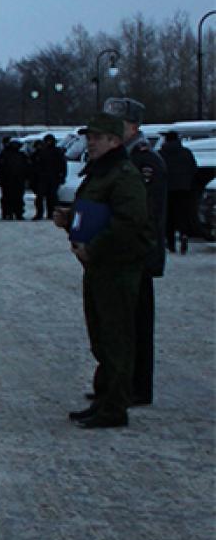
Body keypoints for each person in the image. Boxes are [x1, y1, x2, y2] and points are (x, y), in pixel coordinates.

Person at [57, 112, 155, 428]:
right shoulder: (101, 173)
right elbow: (96, 213)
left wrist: (94, 248)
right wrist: (70, 219)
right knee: (101, 336)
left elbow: (129, 221)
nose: (91, 144)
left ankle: (115, 406)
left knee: (116, 337)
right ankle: (104, 398)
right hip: (100, 267)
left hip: (117, 267)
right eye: (89, 138)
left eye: (97, 138)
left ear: (114, 141)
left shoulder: (123, 174)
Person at [103, 98, 166, 406]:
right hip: (126, 254)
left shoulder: (145, 162)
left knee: (138, 322)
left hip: (140, 253)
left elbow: (146, 212)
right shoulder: (125, 160)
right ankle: (122, 382)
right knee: (122, 321)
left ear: (134, 126)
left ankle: (138, 386)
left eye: (120, 125)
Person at [158, 131, 198, 254]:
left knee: (168, 215)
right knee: (182, 213)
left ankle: (170, 242)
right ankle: (184, 233)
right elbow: (193, 168)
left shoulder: (161, 154)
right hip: (184, 188)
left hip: (167, 188)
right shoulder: (186, 152)